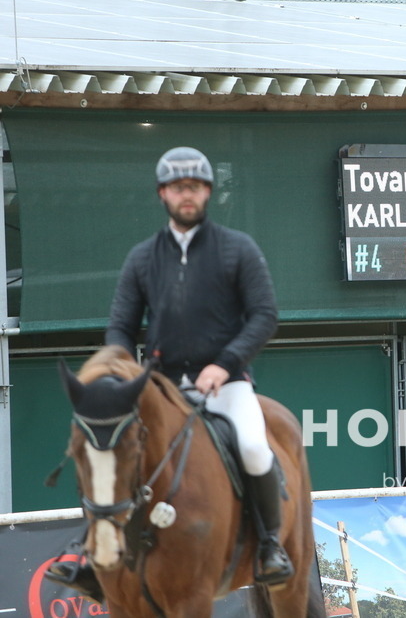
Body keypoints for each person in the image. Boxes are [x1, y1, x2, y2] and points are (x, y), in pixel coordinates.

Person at [46, 146, 293, 596]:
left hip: (226, 383)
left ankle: (270, 547)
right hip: (158, 385)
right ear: (163, 193)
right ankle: (94, 551)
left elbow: (263, 316)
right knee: (105, 445)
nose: (188, 195)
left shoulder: (238, 249)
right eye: (179, 187)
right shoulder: (143, 257)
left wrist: (225, 364)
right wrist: (118, 372)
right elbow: (121, 326)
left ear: (207, 193)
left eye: (195, 187)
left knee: (256, 447)